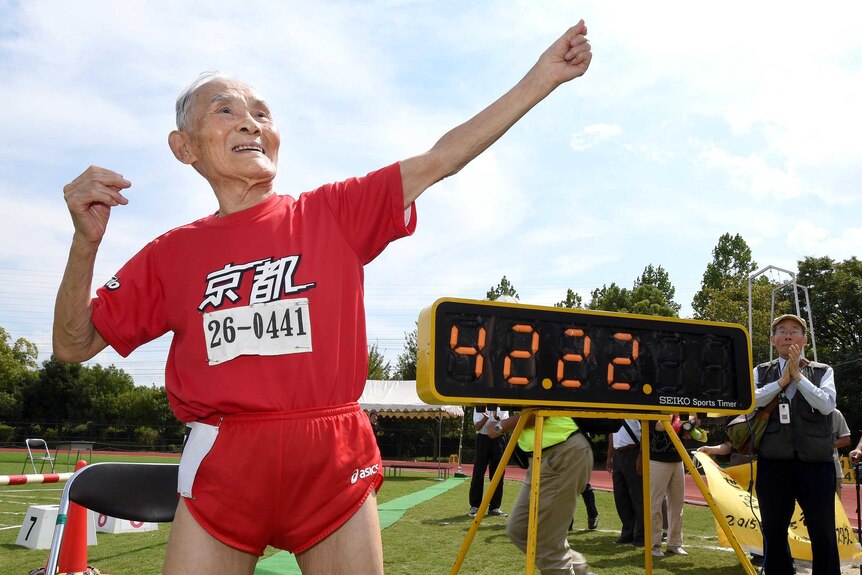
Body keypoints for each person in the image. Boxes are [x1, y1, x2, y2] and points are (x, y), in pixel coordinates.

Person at [51, 22, 592, 575]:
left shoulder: (331, 213)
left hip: (334, 462)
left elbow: (441, 157)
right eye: (225, 110)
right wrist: (84, 243)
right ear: (184, 147)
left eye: (262, 113)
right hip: (225, 467)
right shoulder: (171, 254)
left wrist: (542, 78)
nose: (250, 123)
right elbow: (73, 344)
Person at [754, 314, 839, 575]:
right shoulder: (761, 371)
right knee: (773, 529)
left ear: (804, 340)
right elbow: (751, 400)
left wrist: (798, 377)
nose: (787, 335)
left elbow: (827, 405)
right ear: (773, 339)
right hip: (773, 462)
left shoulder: (822, 370)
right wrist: (781, 381)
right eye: (781, 330)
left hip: (816, 463)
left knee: (823, 531)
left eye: (794, 331)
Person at [490, 413, 598, 575]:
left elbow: (543, 408)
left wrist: (502, 425)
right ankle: (580, 570)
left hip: (561, 452)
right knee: (519, 529)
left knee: (548, 546)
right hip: (543, 457)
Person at [647, 415, 688, 558]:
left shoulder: (678, 412)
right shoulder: (651, 407)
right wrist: (678, 414)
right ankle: (653, 545)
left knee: (678, 504)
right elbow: (660, 425)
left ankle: (674, 543)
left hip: (678, 459)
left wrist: (692, 421)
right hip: (657, 460)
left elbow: (687, 428)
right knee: (655, 504)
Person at [606, 419, 644, 547]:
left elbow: (644, 431)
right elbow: (612, 434)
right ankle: (628, 532)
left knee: (638, 496)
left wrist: (641, 455)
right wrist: (610, 456)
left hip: (633, 451)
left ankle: (641, 535)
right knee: (621, 497)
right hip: (619, 454)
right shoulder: (614, 413)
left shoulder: (635, 410)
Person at [469, 406, 509, 517]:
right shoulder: (480, 405)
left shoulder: (503, 406)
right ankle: (475, 506)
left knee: (498, 473)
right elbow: (477, 427)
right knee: (478, 473)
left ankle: (495, 507)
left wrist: (496, 419)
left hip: (498, 439)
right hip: (483, 439)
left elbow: (503, 427)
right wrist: (485, 419)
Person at [831, 408, 851, 495]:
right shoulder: (796, 410)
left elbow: (846, 439)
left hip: (833, 469)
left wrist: (824, 445)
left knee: (835, 505)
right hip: (804, 468)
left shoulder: (835, 413)